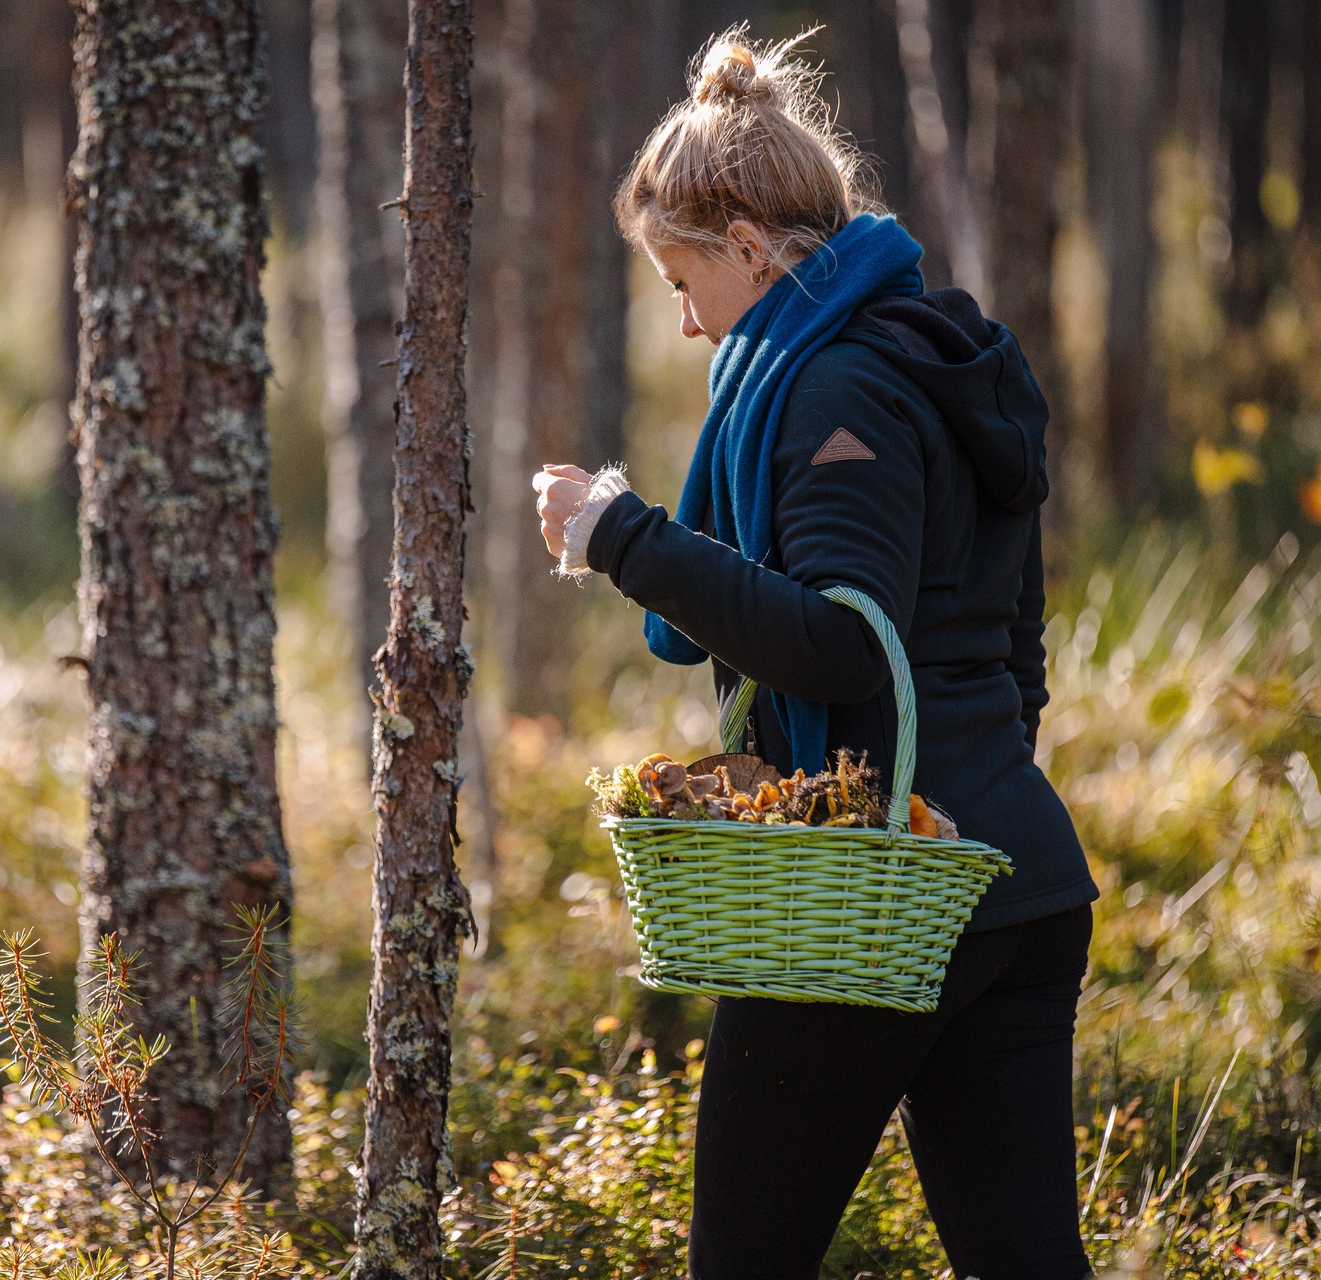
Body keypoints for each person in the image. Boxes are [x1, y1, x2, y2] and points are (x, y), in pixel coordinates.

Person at [530, 29, 1100, 1280]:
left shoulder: (839, 386)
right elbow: (1017, 649)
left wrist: (624, 536)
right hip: (1019, 883)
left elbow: (848, 641)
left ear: (747, 245)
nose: (686, 324)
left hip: (863, 913)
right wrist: (971, 799)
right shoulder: (946, 361)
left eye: (688, 282)